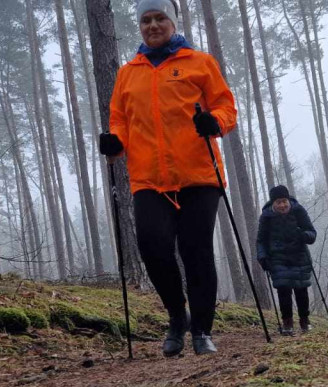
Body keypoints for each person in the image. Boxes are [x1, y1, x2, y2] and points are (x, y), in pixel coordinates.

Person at [98, 0, 237, 357]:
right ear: (140, 26)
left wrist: (215, 122)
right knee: (152, 246)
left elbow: (226, 106)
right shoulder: (129, 72)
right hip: (149, 178)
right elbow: (120, 119)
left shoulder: (200, 63)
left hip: (199, 175)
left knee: (196, 250)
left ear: (173, 23)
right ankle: (178, 317)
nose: (153, 25)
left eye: (160, 18)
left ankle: (202, 330)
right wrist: (115, 141)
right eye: (146, 20)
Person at [257, 185, 317, 336]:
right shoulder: (266, 217)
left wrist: (304, 236)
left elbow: (312, 233)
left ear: (289, 200)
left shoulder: (299, 211)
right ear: (273, 203)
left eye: (284, 201)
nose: (282, 205)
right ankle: (287, 323)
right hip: (277, 257)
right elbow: (261, 240)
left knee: (301, 289)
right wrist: (262, 256)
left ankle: (305, 321)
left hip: (299, 255)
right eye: (278, 202)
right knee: (283, 290)